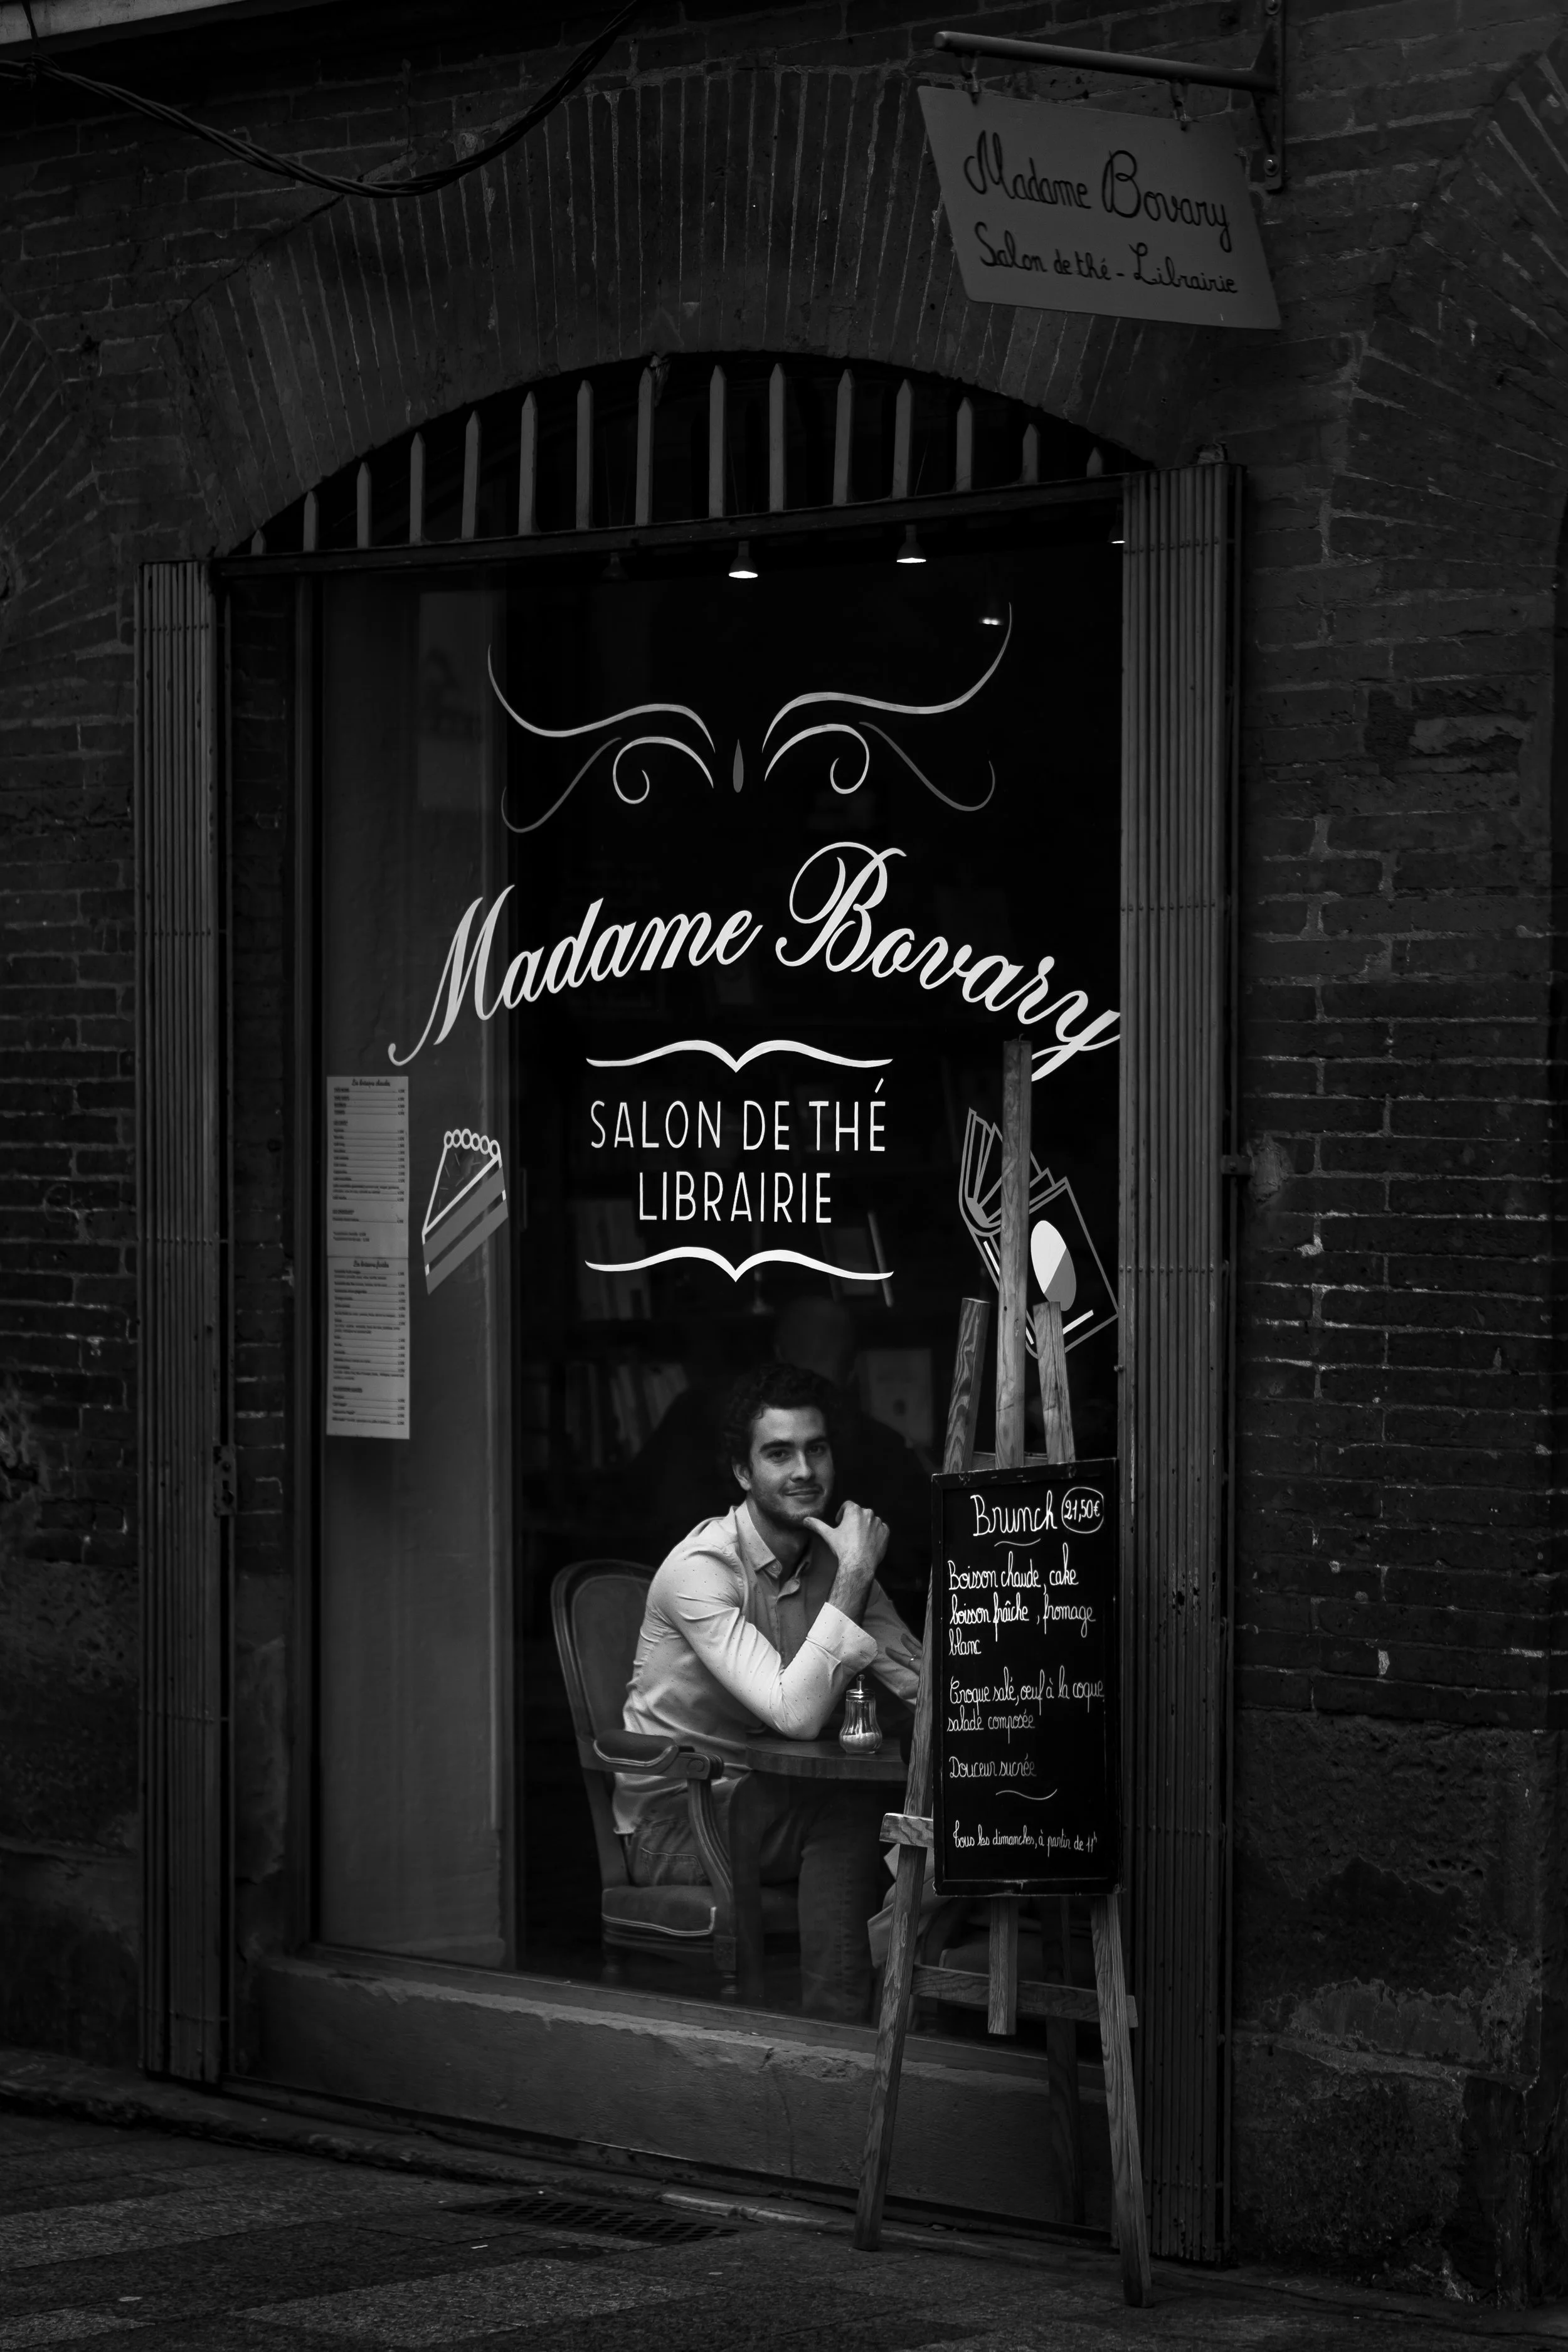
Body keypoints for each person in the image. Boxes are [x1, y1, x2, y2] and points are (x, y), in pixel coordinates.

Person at [615, 1362, 921, 2020]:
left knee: (899, 1806)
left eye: (817, 1449)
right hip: (677, 1819)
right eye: (779, 1453)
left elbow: (917, 1683)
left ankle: (882, 2018)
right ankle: (841, 2028)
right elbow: (795, 1713)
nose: (804, 1470)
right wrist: (856, 1574)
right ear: (742, 1472)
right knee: (846, 1813)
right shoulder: (702, 1568)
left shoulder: (833, 1562)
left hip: (777, 1801)